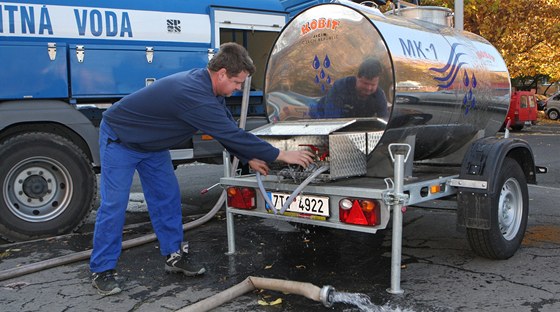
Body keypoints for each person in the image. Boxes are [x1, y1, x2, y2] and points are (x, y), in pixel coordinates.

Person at [89, 42, 314, 296]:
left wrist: (248, 157)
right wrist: (281, 154)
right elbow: (228, 132)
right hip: (121, 139)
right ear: (221, 74)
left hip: (152, 146)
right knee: (114, 205)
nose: (239, 88)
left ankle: (175, 257)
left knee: (167, 198)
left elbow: (227, 128)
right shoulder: (193, 94)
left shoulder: (211, 90)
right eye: (238, 83)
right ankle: (102, 270)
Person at [309, 57, 389, 119]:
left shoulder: (379, 96)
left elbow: (383, 120)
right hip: (322, 117)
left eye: (373, 85)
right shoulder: (340, 87)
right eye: (365, 83)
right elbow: (331, 120)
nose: (368, 88)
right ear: (357, 77)